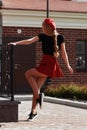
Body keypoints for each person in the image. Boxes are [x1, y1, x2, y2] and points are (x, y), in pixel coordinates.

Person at [8, 18, 73, 121]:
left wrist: (68, 65)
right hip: (45, 63)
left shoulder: (60, 37)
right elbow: (29, 41)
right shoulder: (42, 36)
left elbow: (64, 53)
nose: (41, 28)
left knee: (28, 73)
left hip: (49, 64)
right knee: (36, 88)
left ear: (46, 27)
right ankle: (33, 112)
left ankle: (39, 96)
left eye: (43, 26)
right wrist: (16, 43)